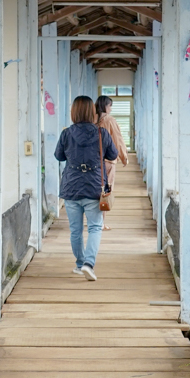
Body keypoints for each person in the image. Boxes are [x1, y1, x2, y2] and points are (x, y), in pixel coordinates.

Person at [54, 94, 117, 281]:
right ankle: (89, 264)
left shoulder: (66, 133)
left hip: (71, 186)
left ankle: (80, 264)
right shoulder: (101, 133)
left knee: (75, 230)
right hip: (93, 186)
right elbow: (112, 154)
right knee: (95, 227)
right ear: (92, 112)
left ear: (74, 112)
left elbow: (59, 156)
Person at [96, 94, 127, 204]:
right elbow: (117, 139)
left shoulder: (92, 120)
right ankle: (101, 221)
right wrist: (124, 157)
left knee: (95, 191)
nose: (111, 108)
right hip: (108, 160)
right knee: (106, 192)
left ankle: (96, 219)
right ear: (105, 106)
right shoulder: (110, 120)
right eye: (110, 106)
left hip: (94, 160)